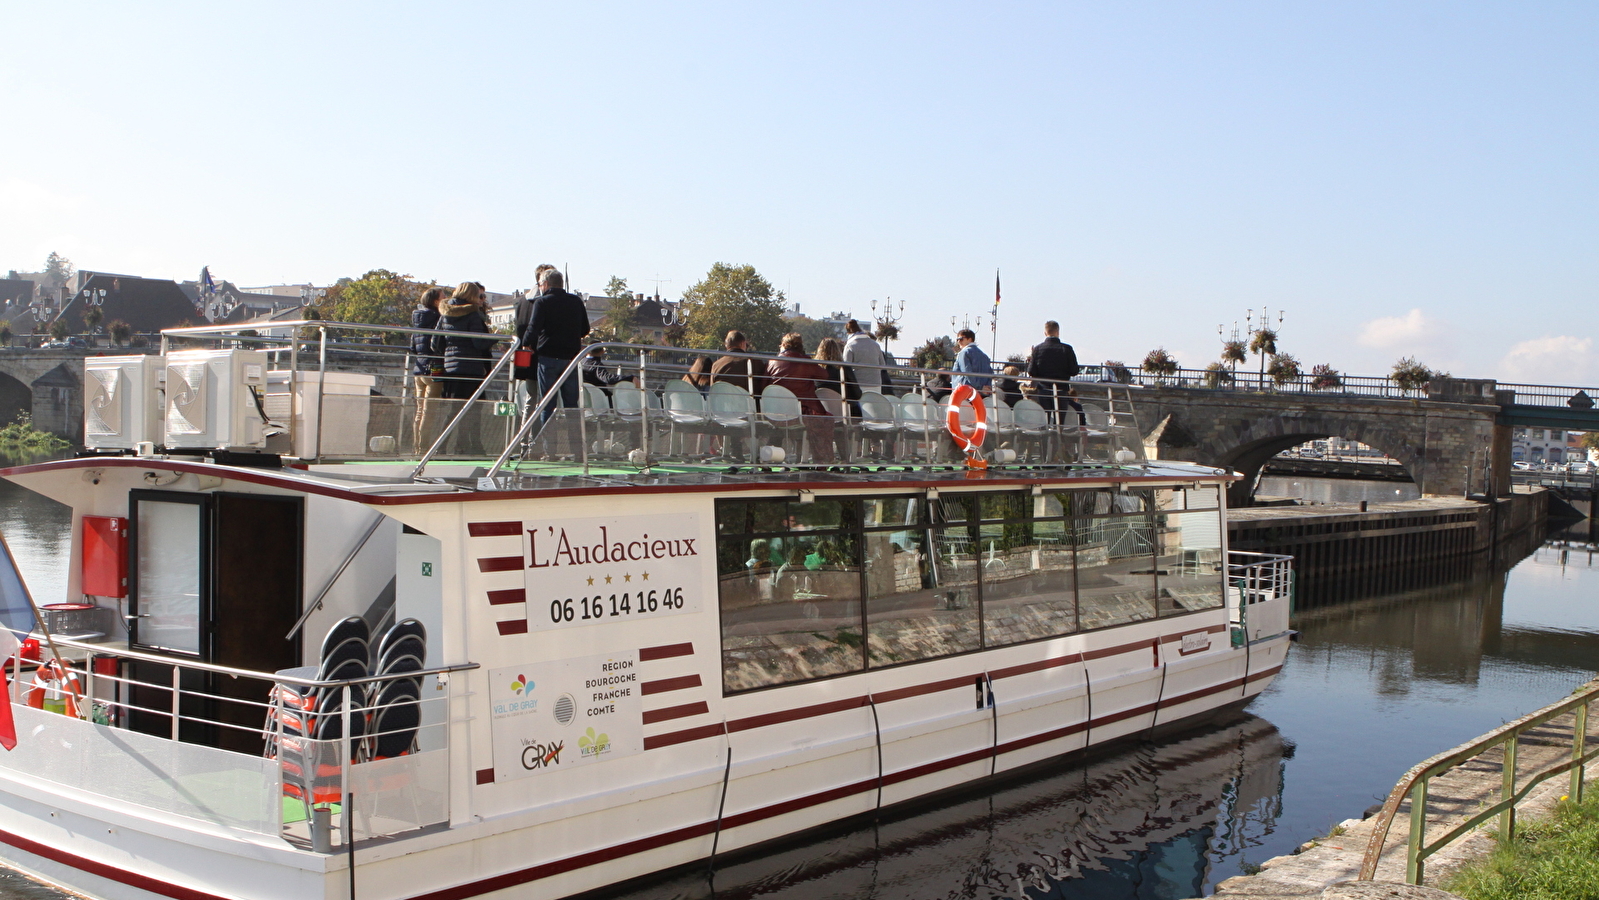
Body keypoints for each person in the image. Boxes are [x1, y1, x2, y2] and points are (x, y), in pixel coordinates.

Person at [524, 267, 590, 422]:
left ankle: (548, 445)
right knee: (571, 405)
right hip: (571, 359)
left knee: (547, 403)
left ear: (545, 284)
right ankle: (575, 444)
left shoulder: (542, 302)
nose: (539, 288)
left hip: (548, 357)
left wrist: (526, 343)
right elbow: (585, 329)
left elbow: (533, 328)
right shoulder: (576, 301)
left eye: (539, 284)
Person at [764, 332, 836, 463]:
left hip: (774, 413)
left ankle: (768, 458)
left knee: (783, 426)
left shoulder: (771, 362)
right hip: (799, 414)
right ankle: (822, 461)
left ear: (784, 345)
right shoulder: (804, 361)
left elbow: (763, 385)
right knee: (826, 419)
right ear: (800, 346)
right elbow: (824, 375)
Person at [435, 282, 495, 400]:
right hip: (471, 367)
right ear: (472, 296)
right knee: (474, 408)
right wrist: (494, 339)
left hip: (450, 367)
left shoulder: (445, 314)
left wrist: (449, 356)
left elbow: (435, 342)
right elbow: (479, 343)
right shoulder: (473, 314)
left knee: (453, 407)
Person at [512, 265, 557, 414]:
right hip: (546, 354)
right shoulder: (546, 301)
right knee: (548, 398)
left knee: (530, 398)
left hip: (527, 355)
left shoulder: (522, 301)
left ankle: (524, 434)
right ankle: (539, 435)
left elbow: (519, 326)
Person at [409, 286, 448, 454]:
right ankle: (424, 448)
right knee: (429, 412)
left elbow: (413, 347)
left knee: (419, 410)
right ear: (436, 301)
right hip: (435, 367)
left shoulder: (417, 319)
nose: (446, 299)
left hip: (418, 367)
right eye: (443, 296)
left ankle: (416, 446)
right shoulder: (438, 318)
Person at [1026, 320, 1084, 425]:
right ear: (1058, 332)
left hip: (1044, 389)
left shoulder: (1038, 349)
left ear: (1045, 333)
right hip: (1061, 389)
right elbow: (1074, 370)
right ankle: (1058, 439)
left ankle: (1045, 440)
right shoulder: (1067, 349)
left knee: (1044, 420)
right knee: (1060, 421)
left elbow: (1031, 371)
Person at [841, 319, 889, 401]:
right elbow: (882, 365)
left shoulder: (850, 345)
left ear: (848, 332)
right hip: (876, 383)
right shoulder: (875, 345)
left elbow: (846, 368)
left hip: (858, 384)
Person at [710, 330, 767, 394]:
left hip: (724, 402)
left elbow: (713, 390)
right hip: (750, 402)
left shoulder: (716, 365)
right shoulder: (755, 361)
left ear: (727, 346)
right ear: (742, 343)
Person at [951, 329, 993, 395]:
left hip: (965, 392)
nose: (959, 341)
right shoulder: (984, 356)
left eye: (961, 339)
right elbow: (990, 373)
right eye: (957, 339)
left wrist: (980, 387)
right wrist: (987, 387)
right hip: (982, 393)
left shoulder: (963, 353)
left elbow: (967, 372)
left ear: (970, 339)